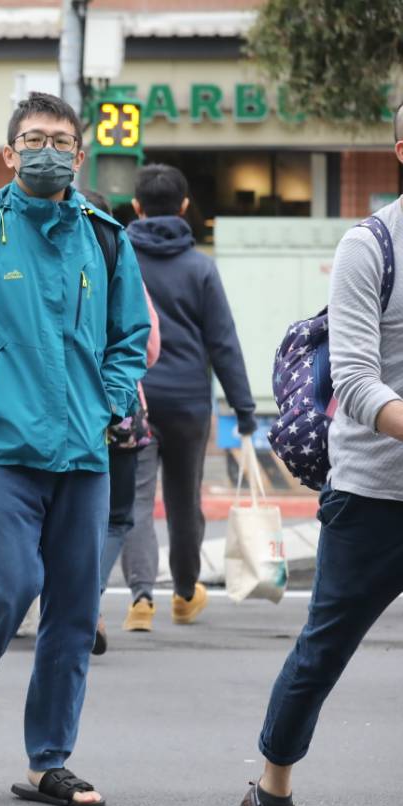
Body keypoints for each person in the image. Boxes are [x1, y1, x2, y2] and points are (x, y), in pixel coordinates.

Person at [0, 92, 150, 806]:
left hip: (82, 452)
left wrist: (107, 400)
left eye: (59, 140)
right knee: (9, 584)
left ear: (79, 156)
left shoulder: (107, 238)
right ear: (8, 153)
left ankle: (48, 758)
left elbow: (128, 336)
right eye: (32, 139)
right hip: (0, 449)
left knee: (74, 610)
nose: (46, 150)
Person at [238, 113, 403, 806]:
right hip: (373, 492)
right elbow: (355, 381)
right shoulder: (370, 246)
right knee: (321, 651)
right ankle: (268, 795)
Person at [119, 164, 258, 631]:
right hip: (189, 404)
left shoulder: (121, 261)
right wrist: (243, 407)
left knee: (136, 501)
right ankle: (183, 593)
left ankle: (140, 598)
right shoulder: (201, 267)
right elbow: (223, 341)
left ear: (136, 208)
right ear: (183, 207)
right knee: (183, 501)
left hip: (134, 399)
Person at [72, 190, 161, 657]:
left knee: (55, 513)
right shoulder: (118, 260)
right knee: (115, 517)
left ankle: (60, 600)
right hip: (117, 413)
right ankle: (87, 605)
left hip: (57, 412)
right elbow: (149, 348)